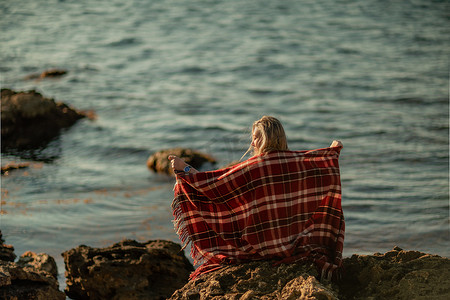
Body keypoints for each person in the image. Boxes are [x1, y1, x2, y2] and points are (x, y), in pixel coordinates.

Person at [168, 116, 345, 280]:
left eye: (256, 137)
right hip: (294, 246)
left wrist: (186, 171)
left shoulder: (253, 168)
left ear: (268, 138)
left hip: (259, 249)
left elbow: (214, 187)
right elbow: (321, 172)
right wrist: (332, 151)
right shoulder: (297, 163)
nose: (252, 142)